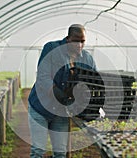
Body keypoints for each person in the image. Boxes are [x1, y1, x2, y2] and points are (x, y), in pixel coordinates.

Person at [27, 24, 96, 158]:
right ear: (68, 38)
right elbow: (43, 77)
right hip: (40, 108)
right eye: (76, 40)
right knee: (38, 151)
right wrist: (60, 95)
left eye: (83, 41)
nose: (79, 45)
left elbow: (93, 82)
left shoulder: (87, 59)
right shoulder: (52, 49)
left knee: (60, 152)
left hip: (60, 112)